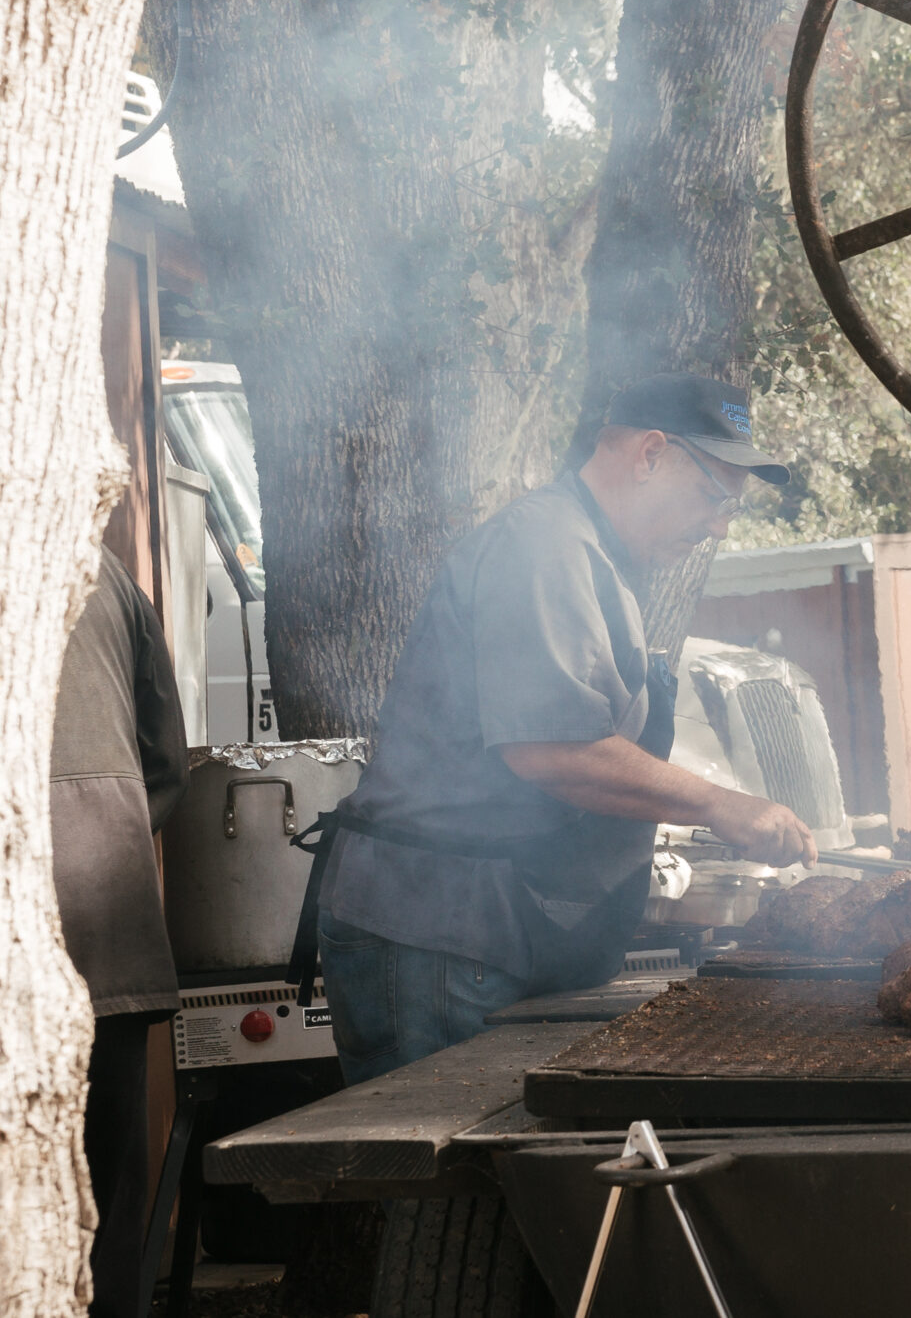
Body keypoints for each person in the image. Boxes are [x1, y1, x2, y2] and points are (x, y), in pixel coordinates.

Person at [314, 374, 817, 1083]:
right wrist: (719, 804)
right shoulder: (544, 543)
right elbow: (552, 747)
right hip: (440, 939)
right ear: (649, 454)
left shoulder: (596, 553)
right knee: (449, 1191)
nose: (720, 526)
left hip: (490, 936)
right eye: (715, 495)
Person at [49, 546, 189, 1318]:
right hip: (118, 920)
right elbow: (169, 761)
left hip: (26, 917)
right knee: (114, 1178)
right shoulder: (104, 567)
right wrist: (118, 839)